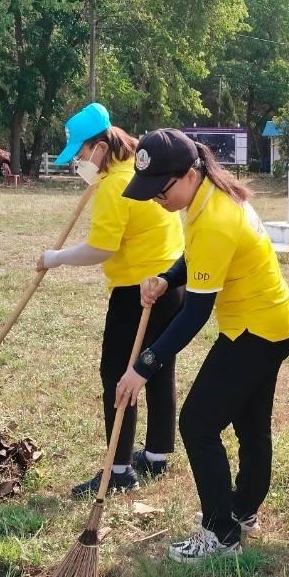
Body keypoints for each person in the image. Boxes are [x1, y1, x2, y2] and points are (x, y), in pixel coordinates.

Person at [115, 129, 289, 563]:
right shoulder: (207, 197)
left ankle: (221, 532)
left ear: (189, 173)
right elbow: (196, 258)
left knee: (198, 423)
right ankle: (243, 508)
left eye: (161, 190)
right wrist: (168, 277)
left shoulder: (216, 217)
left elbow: (194, 315)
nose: (157, 199)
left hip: (255, 332)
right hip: (270, 323)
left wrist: (141, 368)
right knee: (251, 423)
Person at [41, 103, 186, 496]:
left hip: (137, 293)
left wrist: (55, 258)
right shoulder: (138, 173)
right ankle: (156, 455)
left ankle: (119, 470)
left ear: (101, 147)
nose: (80, 163)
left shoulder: (115, 187)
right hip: (173, 284)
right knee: (156, 368)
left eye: (83, 154)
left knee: (118, 375)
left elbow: (100, 249)